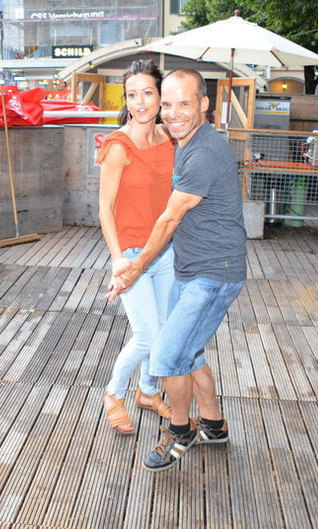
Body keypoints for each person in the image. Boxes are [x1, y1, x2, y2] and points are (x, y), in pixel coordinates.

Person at [108, 68, 247, 471]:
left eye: (184, 103)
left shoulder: (203, 152)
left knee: (168, 357)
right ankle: (214, 426)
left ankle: (181, 431)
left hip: (213, 274)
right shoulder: (186, 141)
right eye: (167, 104)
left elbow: (170, 218)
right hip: (191, 267)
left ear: (204, 104)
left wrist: (135, 268)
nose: (173, 113)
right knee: (190, 352)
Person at [97, 59, 175, 435]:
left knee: (165, 330)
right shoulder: (119, 145)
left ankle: (147, 391)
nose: (140, 102)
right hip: (131, 254)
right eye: (132, 95)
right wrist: (117, 259)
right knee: (148, 334)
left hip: (165, 252)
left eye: (147, 93)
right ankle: (114, 394)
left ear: (160, 96)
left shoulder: (170, 137)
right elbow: (104, 207)